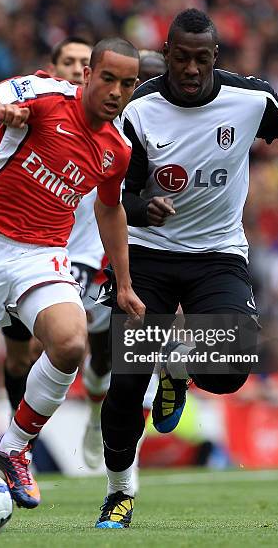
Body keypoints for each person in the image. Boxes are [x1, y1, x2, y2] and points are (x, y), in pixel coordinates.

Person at [95, 9, 278, 528]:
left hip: (218, 254)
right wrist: (145, 208)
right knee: (125, 385)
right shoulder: (139, 109)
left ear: (216, 57)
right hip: (148, 254)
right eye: (182, 58)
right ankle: (120, 493)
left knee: (230, 368)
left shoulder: (251, 99)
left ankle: (179, 365)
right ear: (165, 55)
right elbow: (117, 191)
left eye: (202, 59)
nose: (192, 69)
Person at [0, 37, 145, 515]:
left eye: (128, 83)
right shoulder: (42, 94)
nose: (116, 91)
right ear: (88, 75)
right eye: (108, 78)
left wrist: (123, 282)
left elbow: (110, 209)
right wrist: (1, 109)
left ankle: (14, 445)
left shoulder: (116, 150)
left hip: (41, 255)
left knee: (70, 342)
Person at [0, 37, 102, 417]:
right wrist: (23, 153)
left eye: (83, 62)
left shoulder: (107, 124)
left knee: (55, 341)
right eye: (68, 61)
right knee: (20, 358)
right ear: (54, 70)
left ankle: (23, 439)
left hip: (76, 253)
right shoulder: (28, 110)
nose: (75, 67)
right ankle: (19, 435)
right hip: (17, 246)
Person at [81, 48, 168, 471]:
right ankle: (98, 418)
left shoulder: (174, 128)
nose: (141, 92)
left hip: (154, 253)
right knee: (100, 355)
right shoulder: (101, 128)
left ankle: (125, 466)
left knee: (141, 351)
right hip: (95, 251)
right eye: (139, 81)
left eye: (150, 81)